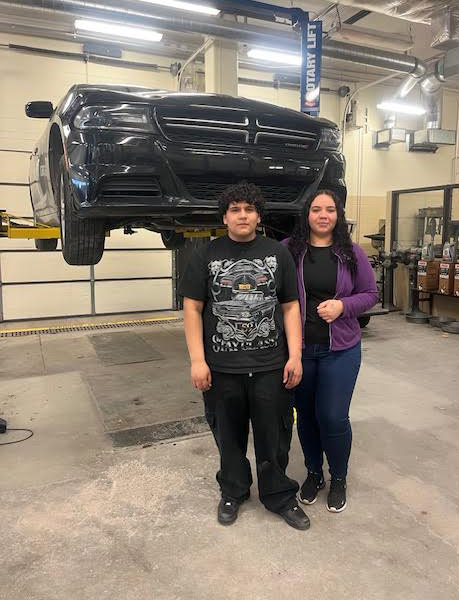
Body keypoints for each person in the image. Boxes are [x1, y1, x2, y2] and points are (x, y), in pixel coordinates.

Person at [179, 181, 310, 530]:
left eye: (248, 209)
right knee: (228, 436)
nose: (242, 215)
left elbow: (290, 306)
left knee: (275, 437)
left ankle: (279, 495)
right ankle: (233, 492)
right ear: (225, 216)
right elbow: (192, 308)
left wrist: (294, 355)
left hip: (271, 365)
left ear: (258, 216)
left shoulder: (277, 254)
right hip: (222, 367)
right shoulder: (205, 255)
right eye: (235, 209)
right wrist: (197, 360)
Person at [284, 189, 378, 513]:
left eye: (330, 210)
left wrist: (343, 305)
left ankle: (338, 476)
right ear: (306, 215)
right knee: (306, 417)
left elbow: (370, 294)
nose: (323, 215)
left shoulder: (351, 253)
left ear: (338, 215)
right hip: (300, 351)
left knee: (332, 416)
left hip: (341, 349)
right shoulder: (289, 250)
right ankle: (314, 473)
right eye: (316, 209)